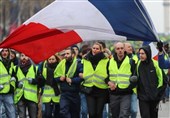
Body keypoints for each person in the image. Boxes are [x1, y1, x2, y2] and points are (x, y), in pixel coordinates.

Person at [107, 42, 136, 118]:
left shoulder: (131, 61)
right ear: (115, 50)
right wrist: (109, 82)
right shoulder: (110, 61)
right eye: (118, 48)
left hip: (126, 94)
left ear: (124, 49)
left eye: (121, 48)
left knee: (124, 114)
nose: (120, 50)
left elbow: (135, 78)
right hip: (114, 93)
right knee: (114, 115)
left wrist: (128, 88)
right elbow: (105, 76)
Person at [81, 42, 109, 118]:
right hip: (89, 89)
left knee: (98, 113)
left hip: (102, 89)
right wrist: (80, 74)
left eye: (97, 48)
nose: (95, 50)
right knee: (92, 113)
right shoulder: (85, 59)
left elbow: (109, 71)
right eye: (94, 48)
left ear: (101, 50)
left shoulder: (106, 59)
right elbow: (80, 69)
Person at [54, 47, 83, 118]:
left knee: (75, 114)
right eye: (65, 54)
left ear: (73, 55)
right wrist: (59, 79)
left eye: (68, 54)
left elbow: (81, 78)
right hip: (64, 93)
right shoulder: (61, 64)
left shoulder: (79, 63)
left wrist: (72, 80)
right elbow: (55, 77)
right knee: (63, 112)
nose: (65, 55)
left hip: (75, 93)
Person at [137, 45, 163, 118]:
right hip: (143, 97)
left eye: (142, 53)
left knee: (153, 116)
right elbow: (136, 78)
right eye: (140, 53)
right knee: (145, 116)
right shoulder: (138, 64)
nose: (140, 55)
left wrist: (158, 94)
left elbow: (162, 80)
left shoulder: (156, 64)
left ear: (147, 53)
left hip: (154, 97)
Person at [14, 53, 38, 118]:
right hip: (20, 96)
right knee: (21, 116)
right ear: (20, 57)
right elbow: (12, 80)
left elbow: (41, 81)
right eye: (22, 56)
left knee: (33, 116)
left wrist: (33, 81)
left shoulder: (35, 68)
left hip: (31, 97)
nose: (24, 57)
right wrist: (17, 84)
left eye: (26, 55)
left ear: (29, 57)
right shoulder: (15, 68)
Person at [0, 48, 16, 118]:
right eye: (2, 51)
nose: (4, 53)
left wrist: (13, 85)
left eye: (6, 51)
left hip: (8, 93)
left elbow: (13, 76)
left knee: (12, 115)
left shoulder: (11, 63)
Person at [124, 42, 138, 118]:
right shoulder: (120, 58)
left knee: (134, 110)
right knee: (125, 111)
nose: (131, 48)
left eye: (131, 47)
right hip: (123, 88)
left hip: (133, 89)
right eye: (128, 47)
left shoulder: (136, 58)